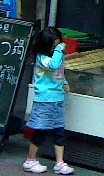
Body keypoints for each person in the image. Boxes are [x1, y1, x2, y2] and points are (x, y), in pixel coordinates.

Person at [23, 27, 74, 175]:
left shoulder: (57, 56)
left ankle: (60, 162)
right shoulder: (42, 58)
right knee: (40, 131)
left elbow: (59, 71)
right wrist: (59, 50)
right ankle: (30, 161)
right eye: (53, 46)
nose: (56, 48)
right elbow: (53, 66)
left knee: (59, 131)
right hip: (44, 100)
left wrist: (64, 82)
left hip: (58, 99)